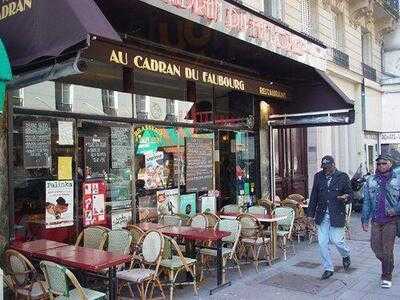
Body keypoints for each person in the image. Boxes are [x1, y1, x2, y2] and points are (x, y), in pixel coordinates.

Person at [307, 155, 352, 280]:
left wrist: (346, 197)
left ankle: (346, 254)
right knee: (322, 243)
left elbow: (350, 194)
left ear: (333, 165)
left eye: (327, 167)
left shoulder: (342, 177)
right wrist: (310, 215)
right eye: (323, 167)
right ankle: (328, 268)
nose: (325, 170)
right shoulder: (318, 176)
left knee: (337, 241)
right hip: (322, 215)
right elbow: (314, 196)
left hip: (337, 214)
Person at [361, 154, 400, 289]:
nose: (381, 166)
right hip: (376, 221)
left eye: (384, 163)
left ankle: (386, 275)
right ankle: (389, 264)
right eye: (378, 164)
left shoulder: (398, 179)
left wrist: (396, 210)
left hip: (391, 221)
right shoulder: (370, 180)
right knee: (375, 248)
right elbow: (366, 201)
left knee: (387, 249)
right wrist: (365, 219)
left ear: (390, 164)